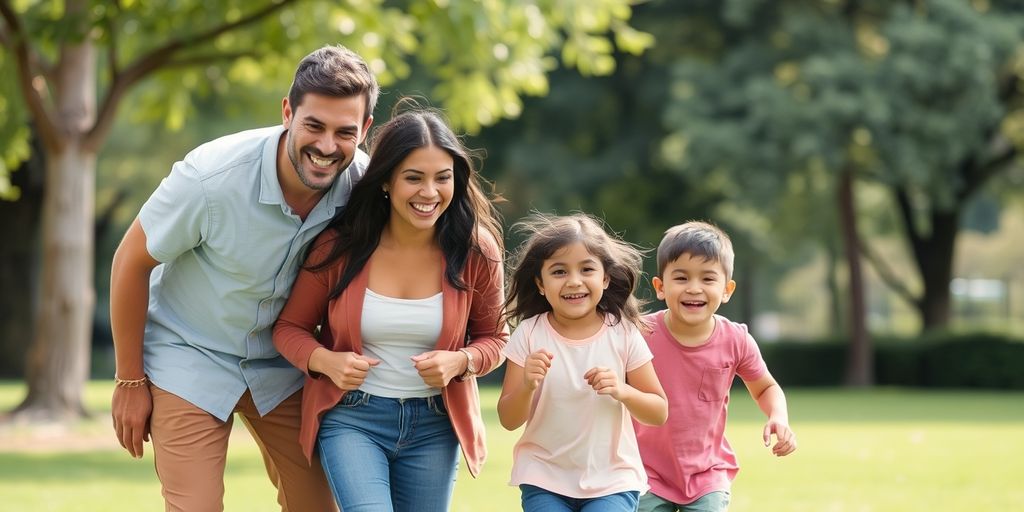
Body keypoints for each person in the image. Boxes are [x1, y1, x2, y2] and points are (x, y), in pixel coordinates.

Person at [109, 45, 378, 511]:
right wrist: (129, 381)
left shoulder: (364, 186)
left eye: (344, 132)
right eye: (314, 125)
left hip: (284, 363)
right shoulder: (209, 178)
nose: (327, 146)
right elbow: (130, 262)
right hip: (188, 355)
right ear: (288, 112)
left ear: (365, 130)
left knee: (322, 505)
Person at [272, 104, 508, 512]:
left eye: (442, 178)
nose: (429, 193)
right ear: (385, 182)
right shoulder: (341, 247)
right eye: (413, 178)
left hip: (436, 424)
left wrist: (461, 361)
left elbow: (496, 339)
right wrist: (325, 360)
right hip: (353, 418)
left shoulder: (475, 250)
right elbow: (288, 328)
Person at [497, 213, 669, 512]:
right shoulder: (529, 333)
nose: (574, 281)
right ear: (540, 283)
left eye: (586, 269)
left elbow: (658, 411)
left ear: (604, 278)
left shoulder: (623, 333)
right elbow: (509, 420)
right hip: (543, 477)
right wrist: (527, 385)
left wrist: (622, 391)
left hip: (612, 480)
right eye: (559, 271)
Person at [634, 221, 797, 512]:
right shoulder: (638, 334)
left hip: (707, 474)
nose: (694, 288)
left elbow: (766, 387)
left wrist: (778, 416)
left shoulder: (736, 339)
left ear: (727, 289)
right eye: (681, 278)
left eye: (708, 279)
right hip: (645, 472)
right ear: (660, 287)